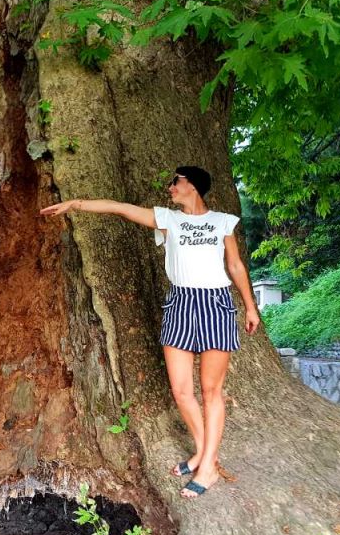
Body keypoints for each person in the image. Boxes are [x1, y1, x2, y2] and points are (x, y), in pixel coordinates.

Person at [41, 167, 260, 499]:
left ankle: (207, 468)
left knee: (211, 391)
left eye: (176, 181)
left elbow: (235, 266)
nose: (170, 187)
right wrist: (75, 204)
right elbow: (120, 208)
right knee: (182, 391)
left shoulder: (222, 221)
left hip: (216, 303)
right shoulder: (169, 219)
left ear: (193, 186)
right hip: (181, 303)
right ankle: (206, 455)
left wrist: (250, 306)